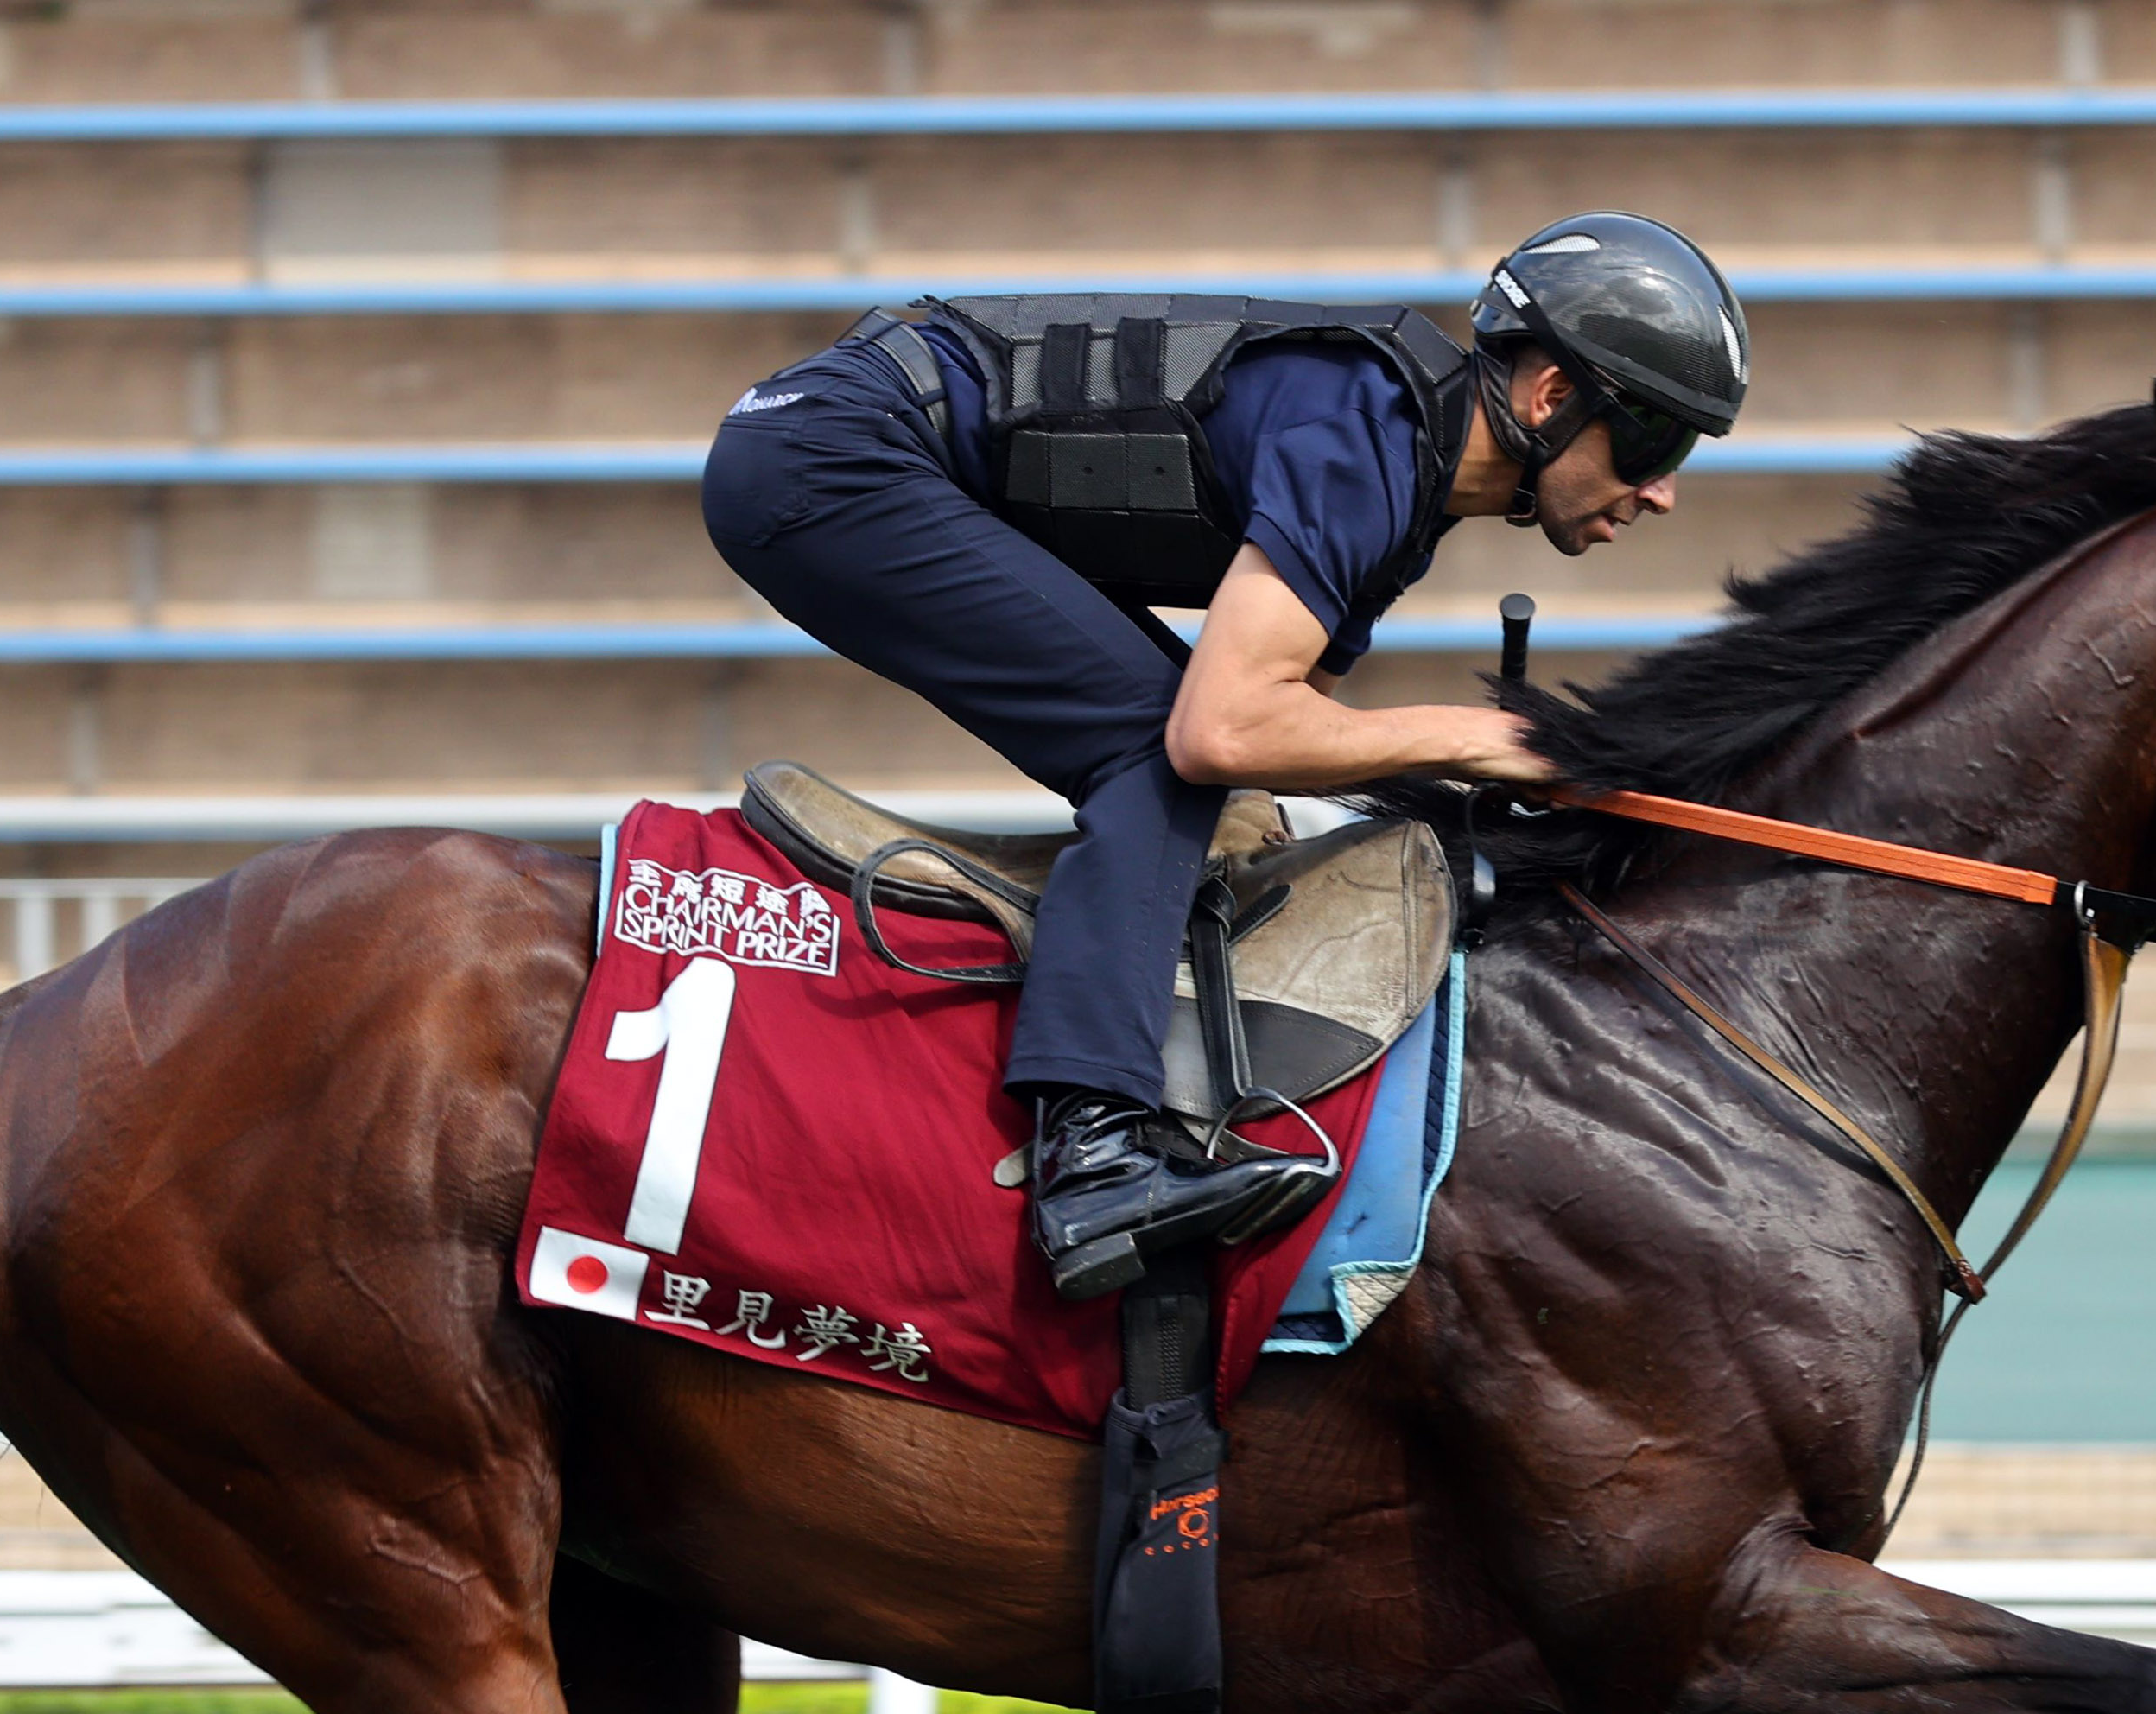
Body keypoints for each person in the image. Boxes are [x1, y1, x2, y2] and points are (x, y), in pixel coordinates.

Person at [703, 213, 1749, 1300]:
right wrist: (1474, 739)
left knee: (1196, 771)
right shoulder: (1372, 439)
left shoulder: (1406, 475)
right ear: (1550, 396)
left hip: (843, 439)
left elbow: (1291, 732)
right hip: (832, 455)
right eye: (1656, 444)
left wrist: (1470, 778)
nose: (1663, 491)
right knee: (1154, 753)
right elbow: (1223, 734)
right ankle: (1091, 1158)